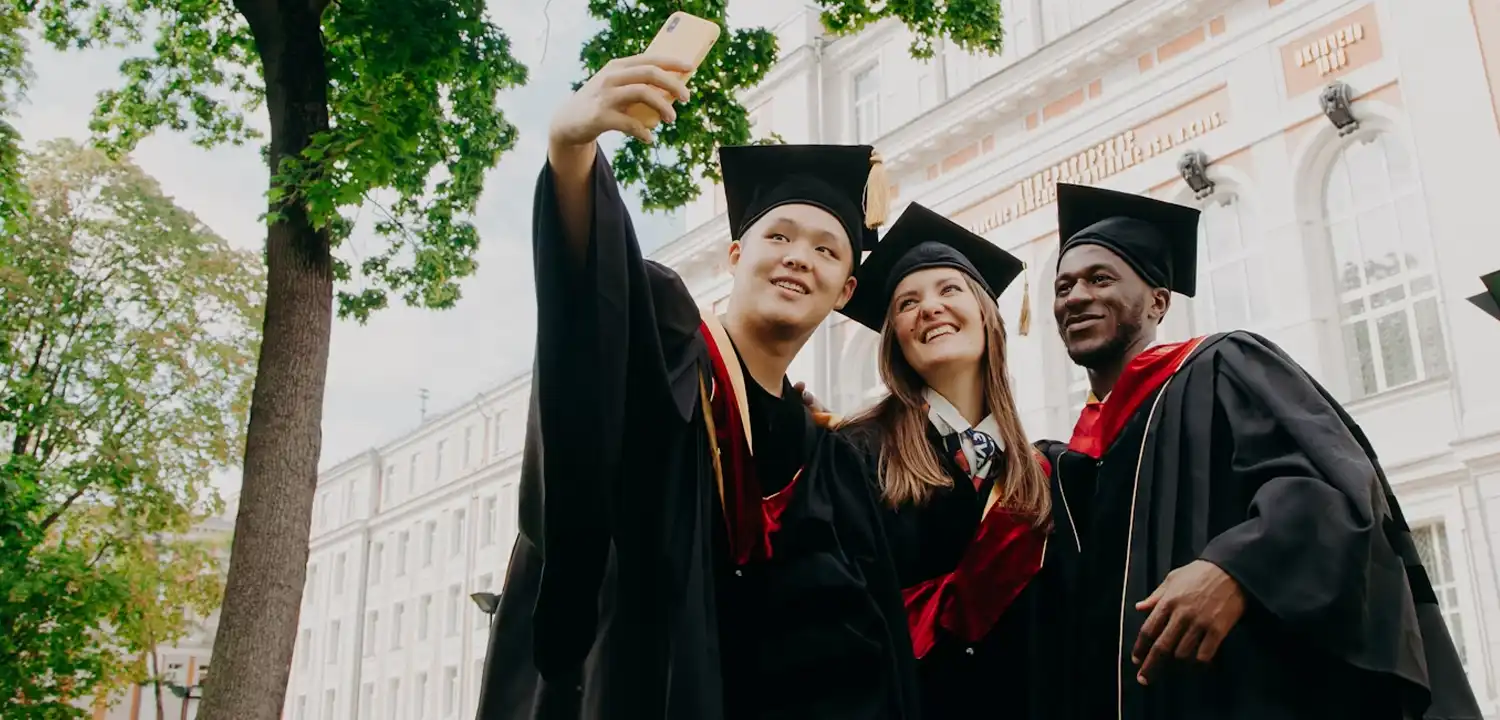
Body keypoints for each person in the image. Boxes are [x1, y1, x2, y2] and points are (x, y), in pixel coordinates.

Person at [475, 52, 919, 720]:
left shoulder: (826, 462)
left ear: (845, 291)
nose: (800, 256)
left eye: (828, 250)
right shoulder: (664, 341)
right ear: (737, 254)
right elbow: (593, 303)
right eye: (780, 236)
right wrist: (572, 155)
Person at [1038, 182, 1481, 720]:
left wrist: (1237, 570)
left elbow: (1331, 489)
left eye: (1099, 278)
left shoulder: (1223, 367)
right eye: (1062, 288)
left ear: (1159, 301)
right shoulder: (1074, 465)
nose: (1075, 296)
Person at [832, 203, 1074, 719]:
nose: (930, 308)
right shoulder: (857, 454)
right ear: (894, 338)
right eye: (907, 303)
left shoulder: (1039, 474)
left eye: (949, 290)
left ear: (987, 314)